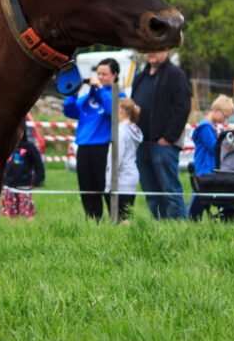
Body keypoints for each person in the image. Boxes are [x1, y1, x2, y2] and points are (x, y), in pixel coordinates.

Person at [130, 51, 191, 220]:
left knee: (170, 191)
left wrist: (168, 138)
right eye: (148, 48)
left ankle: (179, 230)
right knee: (151, 193)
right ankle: (160, 230)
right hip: (142, 145)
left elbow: (183, 107)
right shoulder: (140, 77)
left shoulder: (175, 75)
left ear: (167, 50)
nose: (151, 53)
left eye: (156, 48)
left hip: (163, 145)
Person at [63, 58, 125, 221]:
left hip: (104, 148)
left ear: (115, 75)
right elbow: (69, 111)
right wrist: (73, 90)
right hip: (84, 148)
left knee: (106, 187)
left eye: (105, 74)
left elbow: (113, 111)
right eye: (98, 73)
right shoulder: (86, 99)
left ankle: (117, 220)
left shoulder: (118, 95)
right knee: (87, 189)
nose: (100, 77)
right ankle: (93, 221)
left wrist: (100, 89)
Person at [187, 94, 234, 221]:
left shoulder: (213, 127)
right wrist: (227, 137)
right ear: (216, 110)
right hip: (205, 170)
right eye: (225, 116)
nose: (225, 120)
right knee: (200, 198)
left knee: (200, 198)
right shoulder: (205, 128)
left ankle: (191, 221)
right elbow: (215, 148)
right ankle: (191, 221)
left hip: (209, 170)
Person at [104, 98, 143, 224]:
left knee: (120, 219)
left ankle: (124, 241)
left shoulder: (120, 131)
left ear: (120, 110)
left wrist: (109, 183)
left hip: (120, 179)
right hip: (130, 176)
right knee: (125, 215)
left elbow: (116, 158)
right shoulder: (133, 129)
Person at [0, 129, 44, 221]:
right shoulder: (6, 146)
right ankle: (15, 232)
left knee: (28, 213)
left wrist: (36, 181)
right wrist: (1, 183)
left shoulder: (29, 147)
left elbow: (39, 166)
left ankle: (31, 232)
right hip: (8, 186)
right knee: (12, 214)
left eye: (19, 131)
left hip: (24, 186)